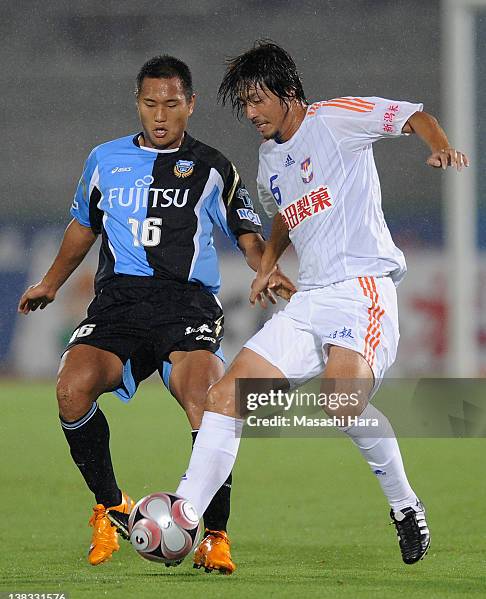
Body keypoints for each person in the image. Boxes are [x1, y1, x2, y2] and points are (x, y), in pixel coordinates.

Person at [169, 41, 470, 565]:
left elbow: (413, 115)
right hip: (311, 299)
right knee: (225, 399)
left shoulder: (336, 119)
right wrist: (267, 266)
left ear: (288, 92)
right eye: (244, 103)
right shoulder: (268, 160)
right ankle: (182, 520)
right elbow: (288, 212)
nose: (251, 113)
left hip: (362, 289)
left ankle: (404, 504)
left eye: (258, 99)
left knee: (341, 403)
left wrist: (439, 145)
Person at [17, 54, 295, 574]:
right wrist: (51, 283)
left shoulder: (213, 167)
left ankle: (215, 535)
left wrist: (266, 267)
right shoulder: (104, 159)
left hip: (184, 301)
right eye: (150, 104)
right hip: (118, 301)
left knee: (209, 401)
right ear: (138, 105)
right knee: (70, 388)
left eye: (171, 104)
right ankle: (111, 507)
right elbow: (83, 226)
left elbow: (247, 234)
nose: (160, 115)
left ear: (190, 104)